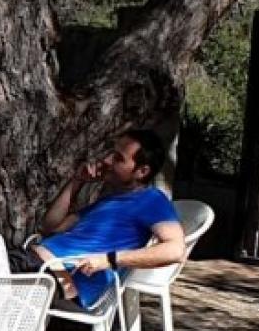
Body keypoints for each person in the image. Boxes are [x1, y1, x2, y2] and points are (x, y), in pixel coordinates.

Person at [18, 129, 187, 311]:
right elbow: (51, 226)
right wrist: (77, 181)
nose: (106, 161)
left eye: (118, 158)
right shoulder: (108, 201)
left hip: (59, 283)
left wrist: (110, 259)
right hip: (36, 265)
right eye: (110, 153)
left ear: (142, 171)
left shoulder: (152, 200)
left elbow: (175, 250)